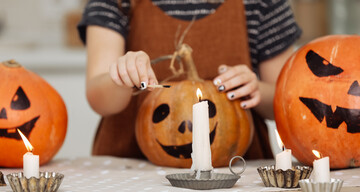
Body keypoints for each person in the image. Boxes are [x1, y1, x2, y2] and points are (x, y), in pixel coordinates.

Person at [77, 0, 302, 160]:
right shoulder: (115, 3)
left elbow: (284, 102)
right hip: (133, 165)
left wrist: (256, 90)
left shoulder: (263, 3)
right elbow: (99, 100)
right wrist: (122, 75)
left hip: (233, 166)